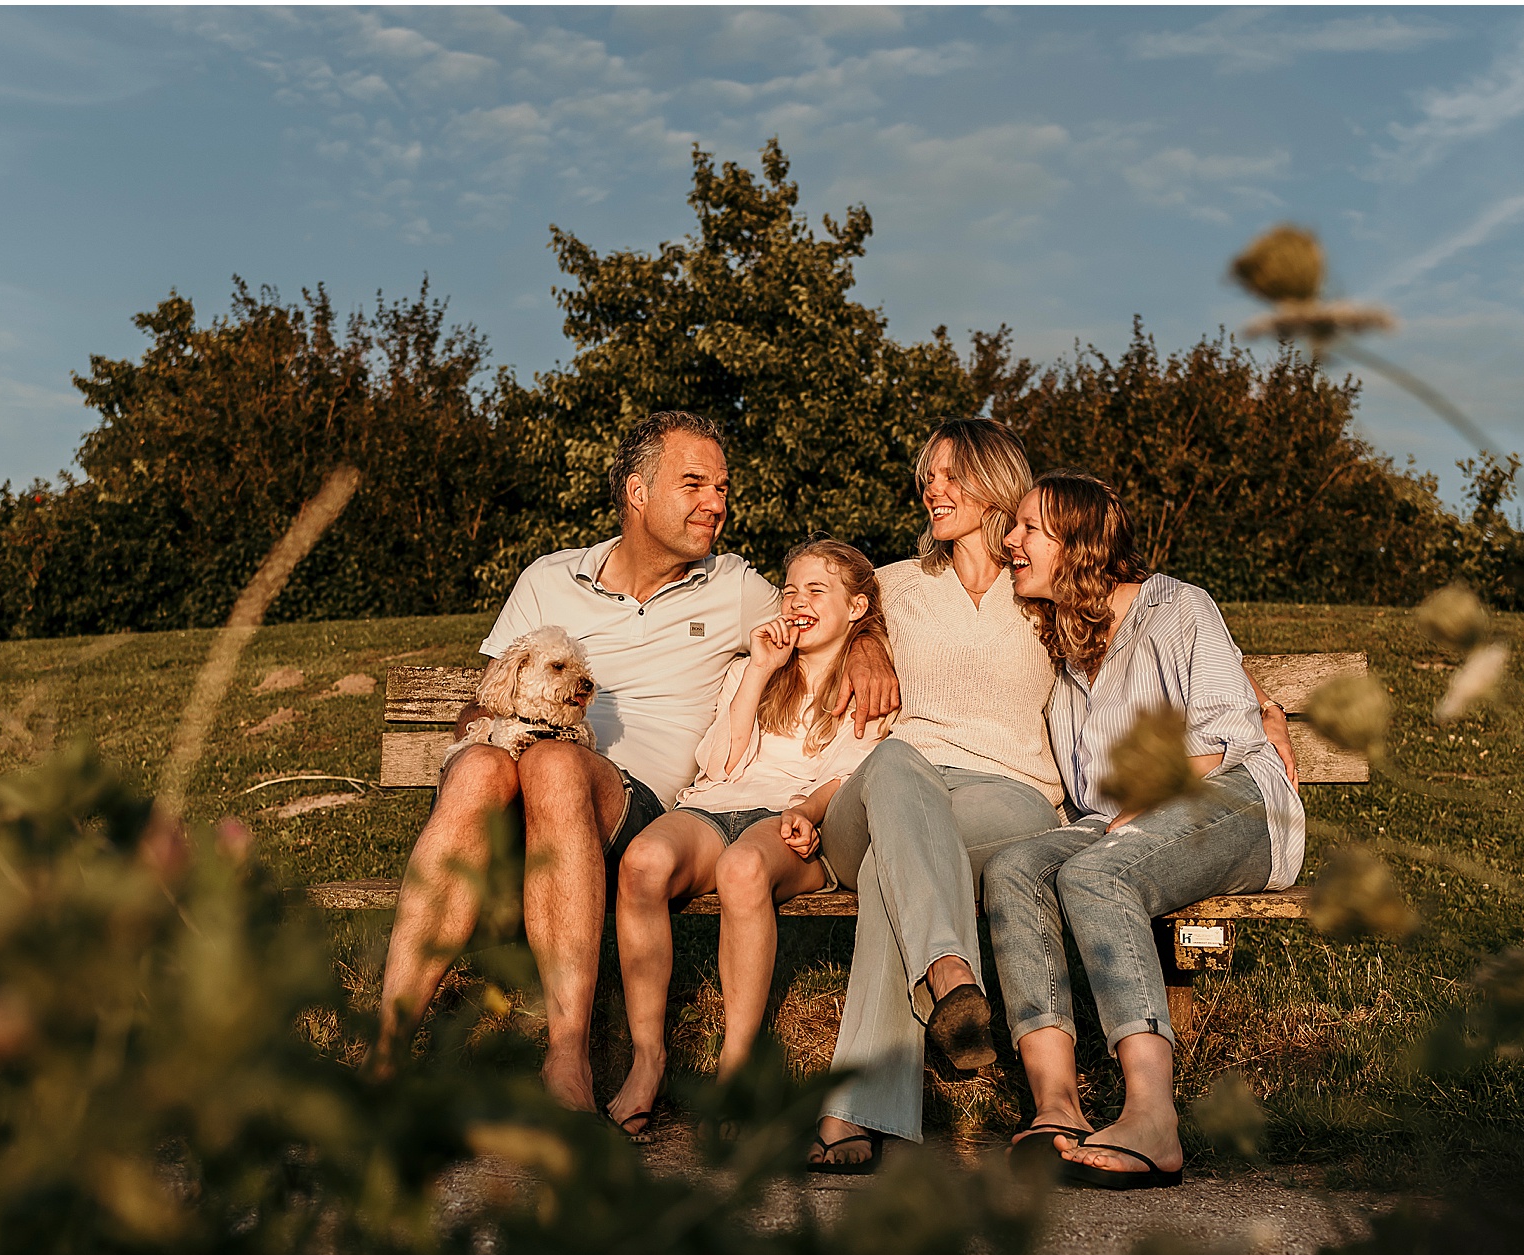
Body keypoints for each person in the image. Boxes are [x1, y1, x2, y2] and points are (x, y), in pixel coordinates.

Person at [372, 411, 900, 1111]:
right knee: (476, 766)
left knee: (556, 767)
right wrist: (490, 732)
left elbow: (822, 615)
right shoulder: (548, 579)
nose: (716, 501)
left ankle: (568, 1059)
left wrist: (865, 644)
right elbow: (484, 701)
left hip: (630, 807)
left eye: (722, 485)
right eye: (694, 484)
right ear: (637, 490)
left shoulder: (735, 586)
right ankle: (384, 1053)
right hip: (510, 790)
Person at [983, 472, 1306, 1190]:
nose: (1011, 540)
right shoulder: (1059, 635)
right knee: (1014, 868)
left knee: (1097, 873)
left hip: (1235, 799)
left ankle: (1153, 1118)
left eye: (1030, 528)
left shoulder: (1178, 606)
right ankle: (1056, 1106)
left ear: (1080, 543)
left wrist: (1268, 711)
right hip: (1113, 819)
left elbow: (1223, 738)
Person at [806, 419, 1068, 1172]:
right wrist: (860, 641)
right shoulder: (892, 585)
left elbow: (1152, 622)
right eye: (928, 474)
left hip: (1005, 799)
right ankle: (953, 970)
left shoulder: (1042, 589)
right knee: (894, 761)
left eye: (952, 474)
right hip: (883, 795)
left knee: (899, 874)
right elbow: (812, 616)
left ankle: (852, 1108)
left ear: (998, 485)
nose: (933, 487)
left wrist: (1262, 700)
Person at [607, 539, 892, 1138]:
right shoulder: (752, 668)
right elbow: (720, 764)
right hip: (717, 806)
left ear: (858, 607)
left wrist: (809, 812)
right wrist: (760, 670)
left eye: (817, 590)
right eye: (789, 589)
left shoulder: (871, 680)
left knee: (742, 869)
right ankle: (646, 1059)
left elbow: (854, 769)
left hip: (796, 819)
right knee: (643, 863)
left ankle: (736, 1071)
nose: (797, 601)